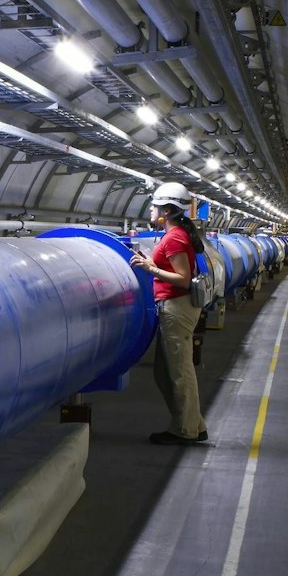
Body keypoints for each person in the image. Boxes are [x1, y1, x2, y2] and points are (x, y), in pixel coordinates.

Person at [130, 181, 209, 445]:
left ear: (166, 211)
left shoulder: (174, 237)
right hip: (174, 307)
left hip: (177, 308)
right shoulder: (173, 235)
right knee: (165, 373)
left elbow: (183, 279)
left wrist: (150, 269)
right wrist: (151, 262)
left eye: (154, 206)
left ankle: (186, 431)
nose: (150, 210)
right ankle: (193, 424)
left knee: (179, 372)